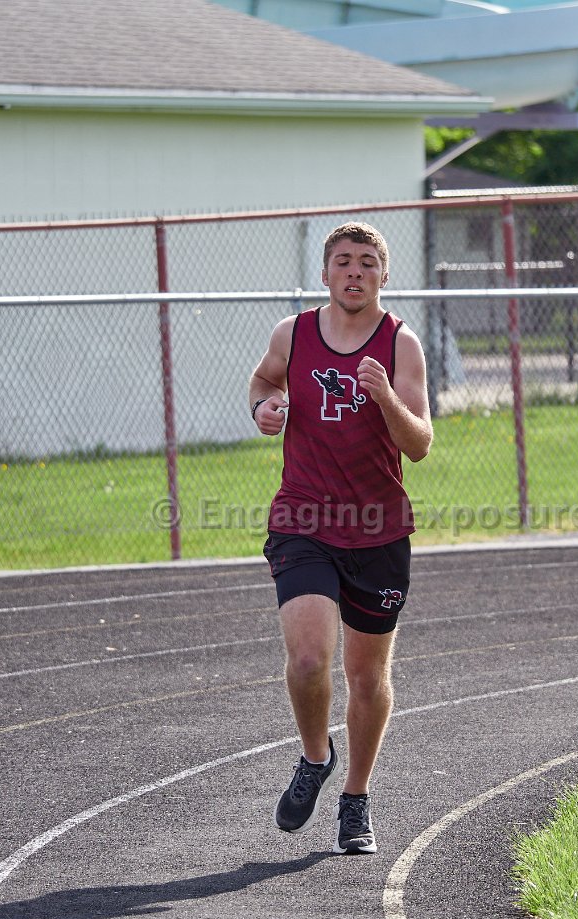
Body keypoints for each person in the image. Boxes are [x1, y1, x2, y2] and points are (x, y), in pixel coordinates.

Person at [248, 222, 432, 854]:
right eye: (344, 262)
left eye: (367, 262)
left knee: (367, 676)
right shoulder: (293, 334)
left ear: (384, 274)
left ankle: (355, 797)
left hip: (378, 529)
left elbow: (419, 443)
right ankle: (314, 756)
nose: (355, 272)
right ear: (325, 273)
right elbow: (264, 381)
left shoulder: (400, 343)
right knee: (307, 660)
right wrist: (263, 408)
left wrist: (385, 397)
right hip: (303, 519)